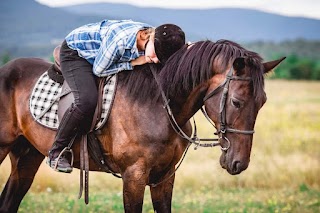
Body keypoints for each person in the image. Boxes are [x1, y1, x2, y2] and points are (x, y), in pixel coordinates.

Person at [46, 19, 186, 173]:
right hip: (77, 53)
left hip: (104, 51)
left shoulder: (158, 39)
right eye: (156, 54)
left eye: (160, 58)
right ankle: (56, 151)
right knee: (86, 100)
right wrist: (133, 63)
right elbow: (99, 70)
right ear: (150, 38)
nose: (155, 59)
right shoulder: (120, 42)